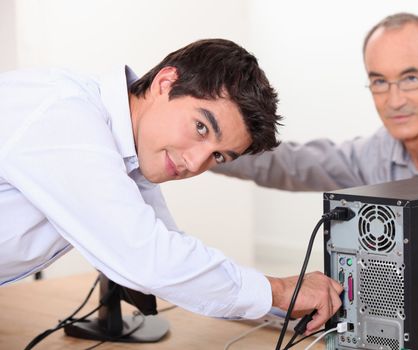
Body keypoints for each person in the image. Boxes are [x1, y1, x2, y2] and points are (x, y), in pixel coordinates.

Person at [0, 39, 342, 335]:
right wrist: (280, 291)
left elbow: (174, 254)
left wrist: (289, 305)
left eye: (218, 157)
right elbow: (149, 258)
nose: (195, 164)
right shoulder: (64, 113)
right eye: (201, 128)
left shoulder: (130, 161)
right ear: (166, 82)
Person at [213, 13, 418, 191]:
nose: (394, 100)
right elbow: (292, 164)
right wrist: (207, 147)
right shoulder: (376, 154)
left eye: (410, 78)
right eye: (379, 81)